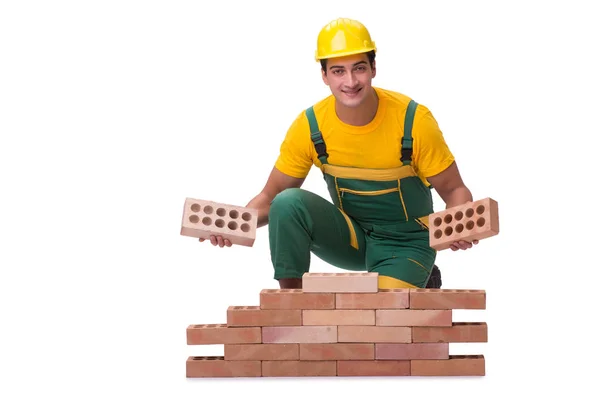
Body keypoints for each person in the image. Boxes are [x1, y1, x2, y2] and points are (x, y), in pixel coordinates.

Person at [200, 17, 478, 289]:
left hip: (405, 244)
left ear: (373, 68)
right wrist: (234, 226)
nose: (350, 81)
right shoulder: (311, 127)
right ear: (324, 75)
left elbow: (454, 189)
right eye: (338, 71)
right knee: (287, 202)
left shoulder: (413, 121)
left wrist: (459, 227)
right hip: (352, 238)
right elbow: (269, 198)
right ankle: (291, 303)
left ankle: (419, 277)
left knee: (380, 315)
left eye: (359, 68)